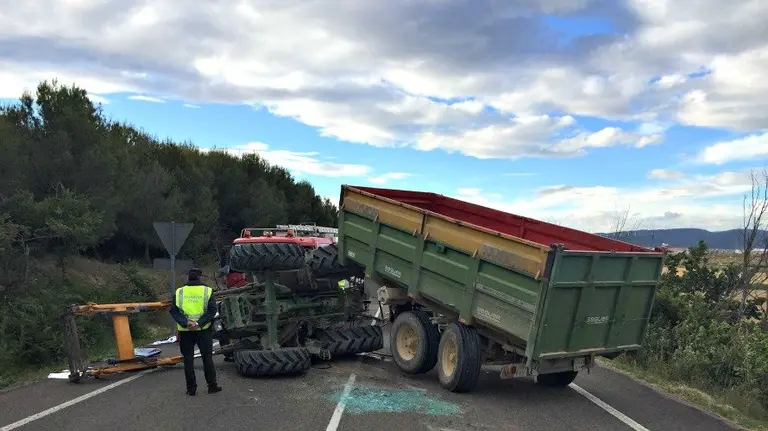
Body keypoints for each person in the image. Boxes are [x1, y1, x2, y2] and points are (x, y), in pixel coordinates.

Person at [169, 268, 222, 396]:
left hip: (185, 331)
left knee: (188, 359)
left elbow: (174, 311)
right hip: (203, 330)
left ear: (188, 278)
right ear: (200, 278)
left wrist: (186, 322)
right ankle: (212, 386)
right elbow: (212, 311)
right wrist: (199, 323)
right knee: (207, 358)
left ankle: (191, 389)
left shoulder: (179, 292)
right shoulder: (207, 291)